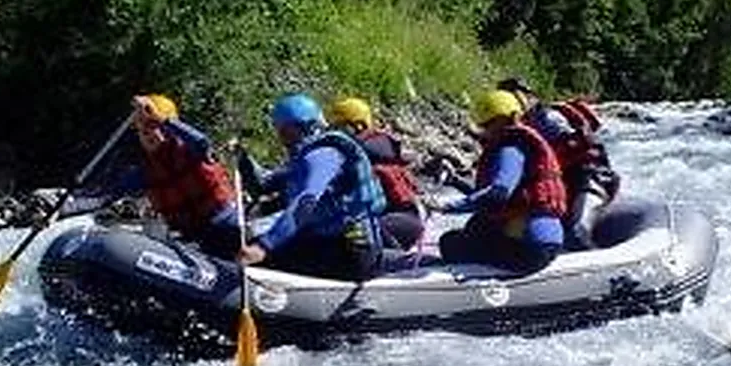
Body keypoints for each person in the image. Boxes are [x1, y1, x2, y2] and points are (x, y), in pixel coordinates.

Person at [237, 93, 388, 281]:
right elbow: (263, 183)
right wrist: (242, 158)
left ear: (303, 126)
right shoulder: (304, 157)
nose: (280, 136)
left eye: (284, 130)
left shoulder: (324, 155)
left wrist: (264, 247)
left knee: (268, 259)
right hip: (327, 240)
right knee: (262, 243)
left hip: (352, 250)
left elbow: (305, 203)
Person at [91, 94, 242, 258]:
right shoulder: (144, 170)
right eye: (142, 130)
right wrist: (69, 205)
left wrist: (162, 119)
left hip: (224, 225)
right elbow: (105, 196)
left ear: (168, 128)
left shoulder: (192, 150)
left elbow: (202, 143)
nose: (147, 134)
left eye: (152, 126)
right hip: (190, 238)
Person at [436, 89, 566, 274]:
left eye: (490, 124)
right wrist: (455, 181)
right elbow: (495, 196)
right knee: (479, 223)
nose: (486, 131)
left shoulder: (510, 149)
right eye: (483, 125)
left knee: (450, 242)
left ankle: (476, 282)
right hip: (546, 243)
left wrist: (446, 207)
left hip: (530, 251)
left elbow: (497, 194)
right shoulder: (520, 144)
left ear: (509, 118)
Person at [497, 78, 620, 251]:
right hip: (561, 185)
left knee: (576, 233)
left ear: (528, 95)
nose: (512, 102)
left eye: (515, 96)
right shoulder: (515, 129)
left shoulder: (548, 118)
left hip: (590, 177)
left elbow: (575, 145)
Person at [325, 96, 424, 251]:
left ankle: (392, 258)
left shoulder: (360, 151)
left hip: (398, 222)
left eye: (340, 126)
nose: (335, 132)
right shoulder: (377, 145)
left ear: (358, 126)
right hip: (405, 219)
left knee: (351, 235)